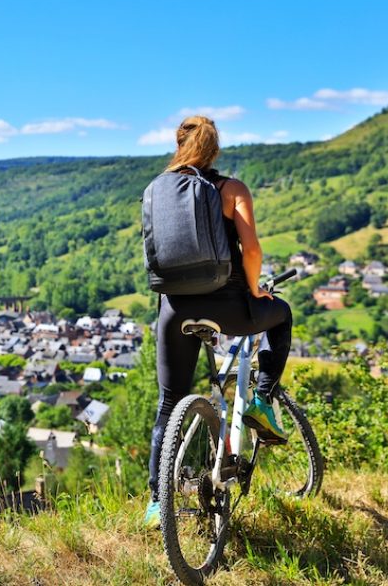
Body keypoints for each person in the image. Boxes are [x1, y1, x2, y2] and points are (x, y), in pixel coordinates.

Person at [143, 115, 293, 527]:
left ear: (179, 144)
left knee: (169, 403)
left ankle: (157, 503)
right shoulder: (231, 189)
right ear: (215, 149)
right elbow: (252, 251)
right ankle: (262, 399)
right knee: (281, 315)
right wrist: (255, 288)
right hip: (227, 307)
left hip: (174, 310)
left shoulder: (158, 189)